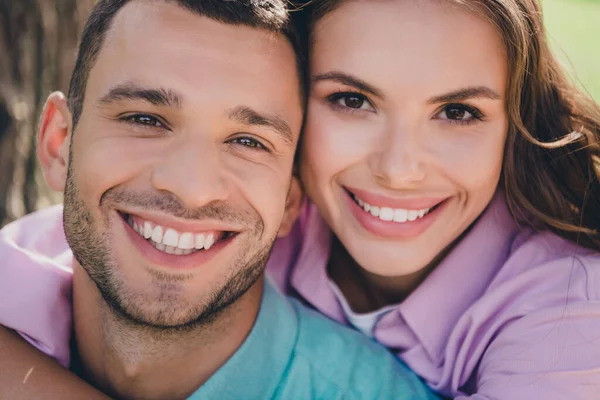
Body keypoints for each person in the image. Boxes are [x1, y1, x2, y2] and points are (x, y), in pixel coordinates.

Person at [2, 0, 600, 398]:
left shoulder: (568, 307)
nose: (398, 170)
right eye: (352, 100)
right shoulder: (273, 210)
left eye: (457, 111)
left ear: (514, 125)